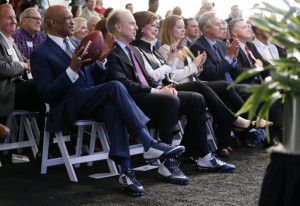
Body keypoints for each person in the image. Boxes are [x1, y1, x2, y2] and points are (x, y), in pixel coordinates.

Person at [30, 5, 184, 197]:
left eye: (72, 17)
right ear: (52, 22)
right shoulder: (40, 53)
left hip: (91, 99)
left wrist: (100, 61)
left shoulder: (76, 43)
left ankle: (126, 173)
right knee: (115, 86)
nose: (72, 21)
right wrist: (72, 69)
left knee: (113, 106)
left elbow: (94, 79)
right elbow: (47, 94)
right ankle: (148, 142)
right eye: (68, 18)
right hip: (67, 105)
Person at [106, 10, 236, 177]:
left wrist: (166, 87)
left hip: (147, 93)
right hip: (131, 102)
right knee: (171, 100)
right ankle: (168, 162)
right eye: (132, 24)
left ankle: (205, 157)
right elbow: (122, 83)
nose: (136, 27)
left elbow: (149, 79)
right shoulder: (111, 51)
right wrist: (157, 90)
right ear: (118, 27)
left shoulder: (134, 50)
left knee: (196, 98)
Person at [132, 12, 259, 157]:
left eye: (182, 27)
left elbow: (173, 74)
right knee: (206, 90)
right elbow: (168, 77)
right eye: (179, 27)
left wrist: (197, 68)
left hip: (187, 84)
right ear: (169, 29)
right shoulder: (162, 49)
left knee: (217, 89)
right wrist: (192, 66)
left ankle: (198, 150)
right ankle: (238, 123)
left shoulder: (174, 48)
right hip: (172, 89)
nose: (183, 31)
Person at [0, 4, 42, 120]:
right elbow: (2, 68)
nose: (14, 21)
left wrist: (30, 63)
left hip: (17, 86)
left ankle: (48, 133)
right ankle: (49, 134)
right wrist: (23, 65)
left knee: (48, 84)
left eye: (14, 17)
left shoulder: (11, 41)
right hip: (6, 91)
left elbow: (25, 60)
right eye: (9, 18)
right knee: (41, 85)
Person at [229, 18, 270, 84]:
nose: (249, 29)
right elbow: (238, 72)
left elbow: (264, 63)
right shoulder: (230, 47)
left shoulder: (250, 45)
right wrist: (256, 68)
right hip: (246, 86)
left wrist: (277, 73)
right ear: (234, 32)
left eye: (249, 27)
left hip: (261, 82)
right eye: (244, 27)